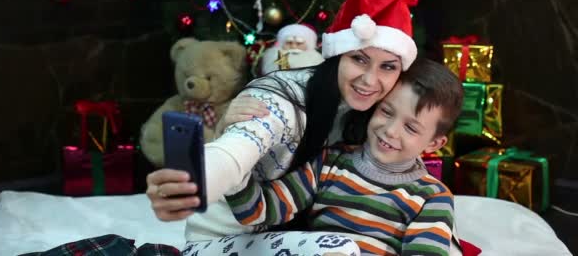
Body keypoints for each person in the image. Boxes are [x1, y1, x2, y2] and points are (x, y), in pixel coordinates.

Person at [146, 0, 419, 251]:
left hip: (294, 237)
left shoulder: (379, 115)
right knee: (339, 249)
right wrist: (193, 186)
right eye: (359, 59)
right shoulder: (282, 97)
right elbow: (236, 149)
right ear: (337, 54)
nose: (370, 80)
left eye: (388, 66)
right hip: (222, 243)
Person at [184, 58, 463, 255]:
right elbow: (259, 211)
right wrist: (238, 171)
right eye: (386, 112)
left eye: (411, 127)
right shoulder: (331, 163)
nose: (390, 131)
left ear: (435, 143)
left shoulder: (431, 196)